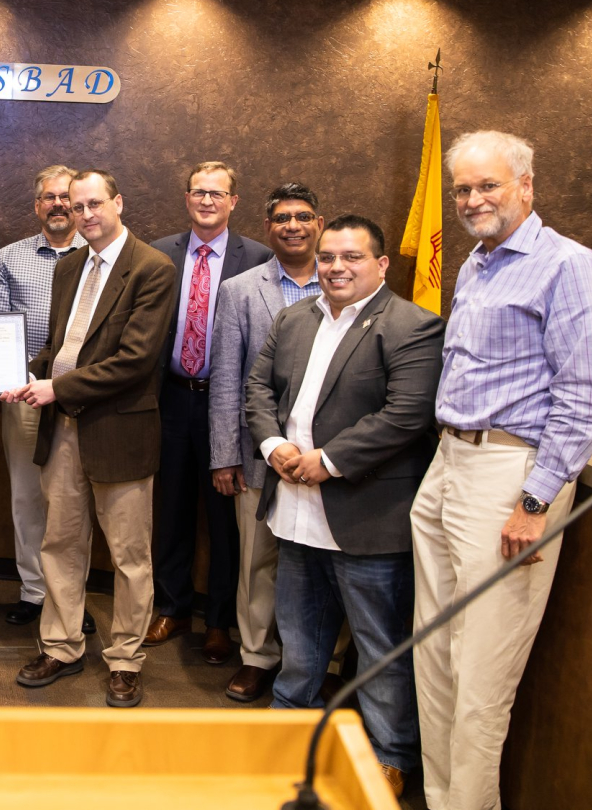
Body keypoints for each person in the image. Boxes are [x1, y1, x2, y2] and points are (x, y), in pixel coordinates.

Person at [411, 131, 592, 810]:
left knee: (481, 671)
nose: (472, 200)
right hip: (448, 463)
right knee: (435, 655)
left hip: (510, 475)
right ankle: (441, 799)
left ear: (525, 185)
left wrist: (534, 502)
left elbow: (585, 399)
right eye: (463, 189)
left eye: (487, 185)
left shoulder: (569, 266)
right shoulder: (475, 265)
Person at [246, 214, 445, 798]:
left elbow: (407, 415)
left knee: (379, 644)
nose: (335, 267)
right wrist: (274, 445)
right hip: (295, 510)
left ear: (381, 265)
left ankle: (390, 754)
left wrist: (326, 460)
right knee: (299, 639)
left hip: (365, 515)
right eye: (329, 257)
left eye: (351, 257)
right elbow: (258, 391)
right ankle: (290, 731)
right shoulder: (293, 317)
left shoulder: (412, 325)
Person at [3, 169, 176, 708]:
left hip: (119, 430)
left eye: (95, 203)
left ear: (118, 202)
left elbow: (134, 361)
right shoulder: (72, 264)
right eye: (77, 207)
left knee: (129, 555)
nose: (86, 215)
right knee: (60, 544)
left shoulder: (153, 268)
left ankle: (125, 660)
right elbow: (61, 346)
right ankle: (61, 645)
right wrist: (21, 372)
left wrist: (54, 387)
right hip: (64, 430)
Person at [209, 183, 343, 702]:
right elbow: (226, 378)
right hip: (257, 452)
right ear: (269, 227)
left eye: (303, 217)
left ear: (319, 223)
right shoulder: (241, 289)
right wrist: (224, 454)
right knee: (257, 561)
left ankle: (323, 661)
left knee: (328, 561)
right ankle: (258, 656)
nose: (292, 226)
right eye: (282, 218)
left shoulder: (344, 280)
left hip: (329, 457)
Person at [147, 161, 271, 663]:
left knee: (226, 520)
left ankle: (218, 621)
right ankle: (171, 607)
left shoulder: (259, 257)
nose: (207, 201)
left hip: (230, 405)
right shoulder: (158, 254)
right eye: (199, 192)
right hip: (171, 396)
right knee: (169, 509)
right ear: (187, 197)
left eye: (217, 194)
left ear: (233, 201)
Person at [0, 164, 94, 633]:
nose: (58, 205)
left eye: (66, 197)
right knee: (27, 496)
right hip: (23, 394)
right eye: (48, 197)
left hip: (84, 397)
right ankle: (33, 590)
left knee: (73, 503)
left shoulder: (100, 257)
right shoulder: (11, 257)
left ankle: (70, 598)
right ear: (36, 206)